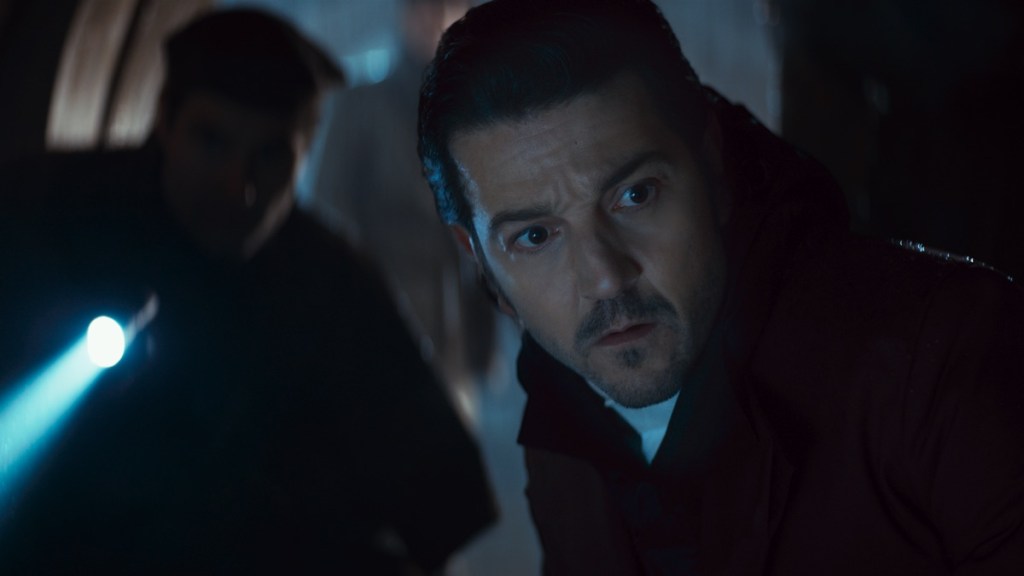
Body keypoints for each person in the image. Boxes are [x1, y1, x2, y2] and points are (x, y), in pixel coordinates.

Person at [417, 0, 1024, 573]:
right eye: (535, 236)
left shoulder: (944, 363)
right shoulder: (562, 424)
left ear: (711, 165)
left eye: (636, 195)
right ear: (477, 258)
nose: (604, 277)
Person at [0, 9, 494, 574]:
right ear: (164, 122)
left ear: (303, 155)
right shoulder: (52, 214)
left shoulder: (327, 281)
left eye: (270, 156)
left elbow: (439, 494)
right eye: (211, 142)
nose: (239, 187)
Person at [310, 0, 496, 407]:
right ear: (405, 14)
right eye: (427, 7)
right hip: (377, 328)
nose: (438, 20)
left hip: (454, 336)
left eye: (451, 8)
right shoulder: (362, 106)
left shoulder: (471, 114)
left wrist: (484, 334)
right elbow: (330, 216)